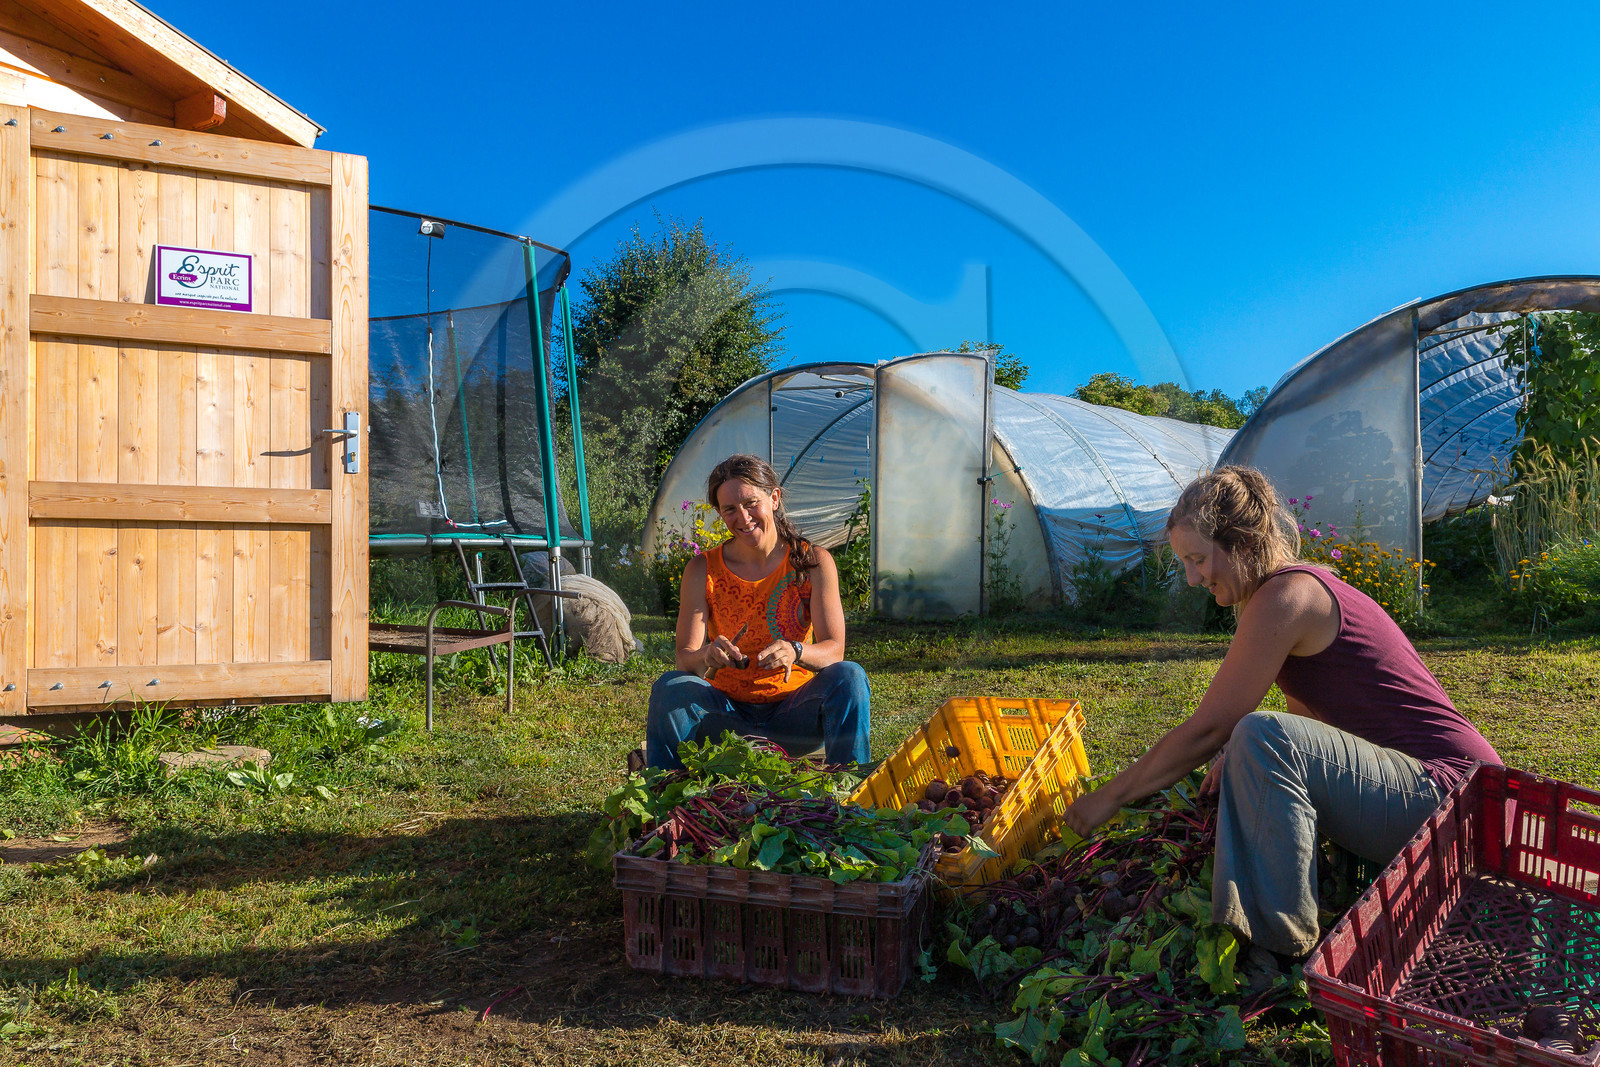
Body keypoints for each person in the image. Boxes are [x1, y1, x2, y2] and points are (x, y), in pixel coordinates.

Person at [1061, 465, 1500, 962]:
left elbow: (1211, 726)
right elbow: (1306, 724)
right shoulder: (1296, 593)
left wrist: (1111, 796)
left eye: (1199, 559)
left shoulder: (1287, 596)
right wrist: (1239, 754)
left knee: (1258, 733)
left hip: (1455, 799)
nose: (1191, 577)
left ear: (1242, 543)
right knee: (1253, 739)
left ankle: (1277, 951)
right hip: (1449, 800)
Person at [645, 454, 871, 770]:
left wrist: (796, 650)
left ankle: (851, 790)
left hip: (795, 718)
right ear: (720, 514)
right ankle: (663, 797)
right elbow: (685, 659)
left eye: (752, 503)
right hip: (725, 719)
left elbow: (835, 651)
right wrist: (708, 654)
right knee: (670, 688)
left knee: (850, 677)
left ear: (774, 498)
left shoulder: (812, 562)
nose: (743, 517)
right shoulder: (702, 570)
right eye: (730, 509)